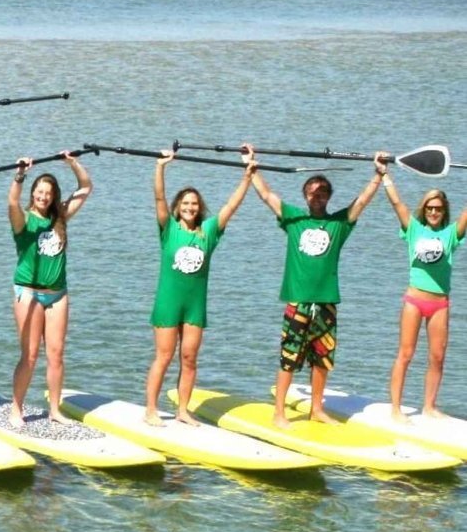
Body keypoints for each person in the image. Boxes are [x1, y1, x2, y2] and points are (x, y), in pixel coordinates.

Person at [251, 150, 387, 427]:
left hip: (326, 302)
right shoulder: (294, 220)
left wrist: (378, 174)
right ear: (305, 196)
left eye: (323, 193)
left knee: (322, 358)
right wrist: (252, 169)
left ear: (329, 197)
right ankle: (279, 412)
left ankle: (317, 409)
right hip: (298, 301)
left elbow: (361, 202)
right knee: (289, 357)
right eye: (313, 193)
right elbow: (267, 195)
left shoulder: (338, 224)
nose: (318, 196)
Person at [143, 149, 258, 425]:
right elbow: (159, 197)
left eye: (194, 204)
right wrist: (161, 167)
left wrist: (247, 177)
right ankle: (150, 410)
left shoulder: (209, 232)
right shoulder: (168, 229)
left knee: (189, 358)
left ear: (200, 207)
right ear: (177, 207)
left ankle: (183, 410)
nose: (190, 207)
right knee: (164, 356)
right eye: (185, 203)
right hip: (168, 303)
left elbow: (231, 206)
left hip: (194, 306)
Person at [7, 151, 92, 426]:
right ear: (33, 194)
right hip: (28, 293)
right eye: (39, 192)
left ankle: (55, 410)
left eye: (48, 193)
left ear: (54, 197)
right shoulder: (24, 220)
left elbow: (86, 187)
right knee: (30, 355)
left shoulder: (60, 217)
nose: (43, 197)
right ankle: (16, 409)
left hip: (57, 294)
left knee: (56, 354)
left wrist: (72, 163)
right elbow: (11, 201)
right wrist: (20, 175)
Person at [380, 176, 467, 421]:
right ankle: (396, 409)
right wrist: (384, 175)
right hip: (414, 301)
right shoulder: (413, 229)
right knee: (405, 354)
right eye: (429, 208)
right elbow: (397, 203)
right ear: (424, 209)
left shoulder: (451, 234)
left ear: (444, 211)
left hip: (440, 304)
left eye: (438, 209)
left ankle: (429, 406)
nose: (433, 212)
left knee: (438, 356)